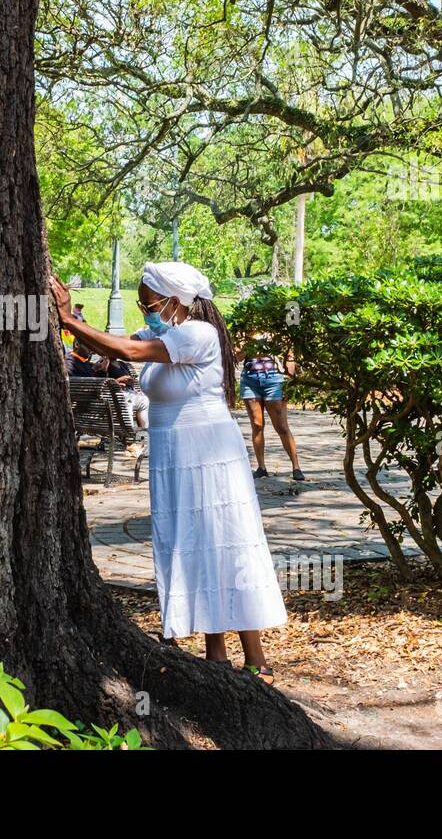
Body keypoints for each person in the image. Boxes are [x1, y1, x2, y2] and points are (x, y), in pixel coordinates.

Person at [52, 262, 286, 682]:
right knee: (192, 541)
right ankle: (215, 653)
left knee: (224, 540)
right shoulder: (168, 331)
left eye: (148, 303)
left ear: (173, 302)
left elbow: (128, 353)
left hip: (207, 451)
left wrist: (68, 318)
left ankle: (257, 658)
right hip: (177, 451)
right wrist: (71, 321)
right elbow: (116, 344)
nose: (145, 311)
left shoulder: (198, 334)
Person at [239, 332, 304, 481]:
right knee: (257, 424)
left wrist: (289, 380)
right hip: (250, 379)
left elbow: (290, 354)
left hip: (274, 378)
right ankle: (261, 467)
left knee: (281, 426)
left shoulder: (274, 325)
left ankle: (296, 467)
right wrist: (248, 344)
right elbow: (238, 356)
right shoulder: (244, 329)